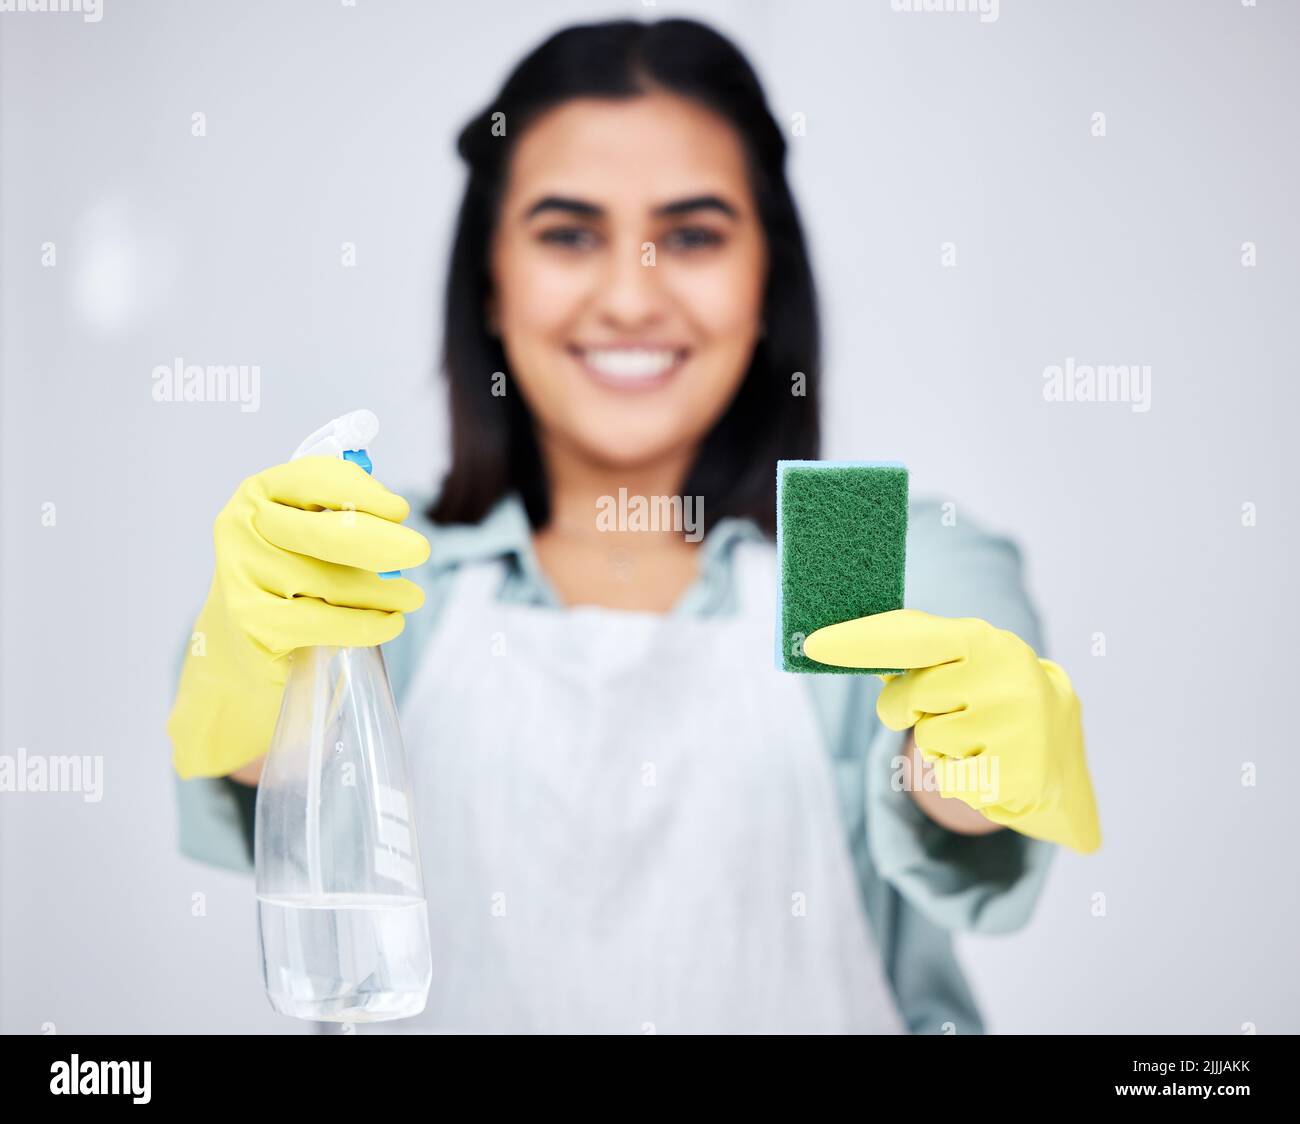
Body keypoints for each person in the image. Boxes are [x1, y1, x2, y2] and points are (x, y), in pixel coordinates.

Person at [167, 17, 1101, 1034]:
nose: (628, 294)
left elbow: (957, 798)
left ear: (764, 278)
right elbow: (265, 772)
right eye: (568, 233)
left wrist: (973, 765)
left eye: (692, 235)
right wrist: (253, 664)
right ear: (490, 278)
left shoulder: (860, 551)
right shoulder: (379, 564)